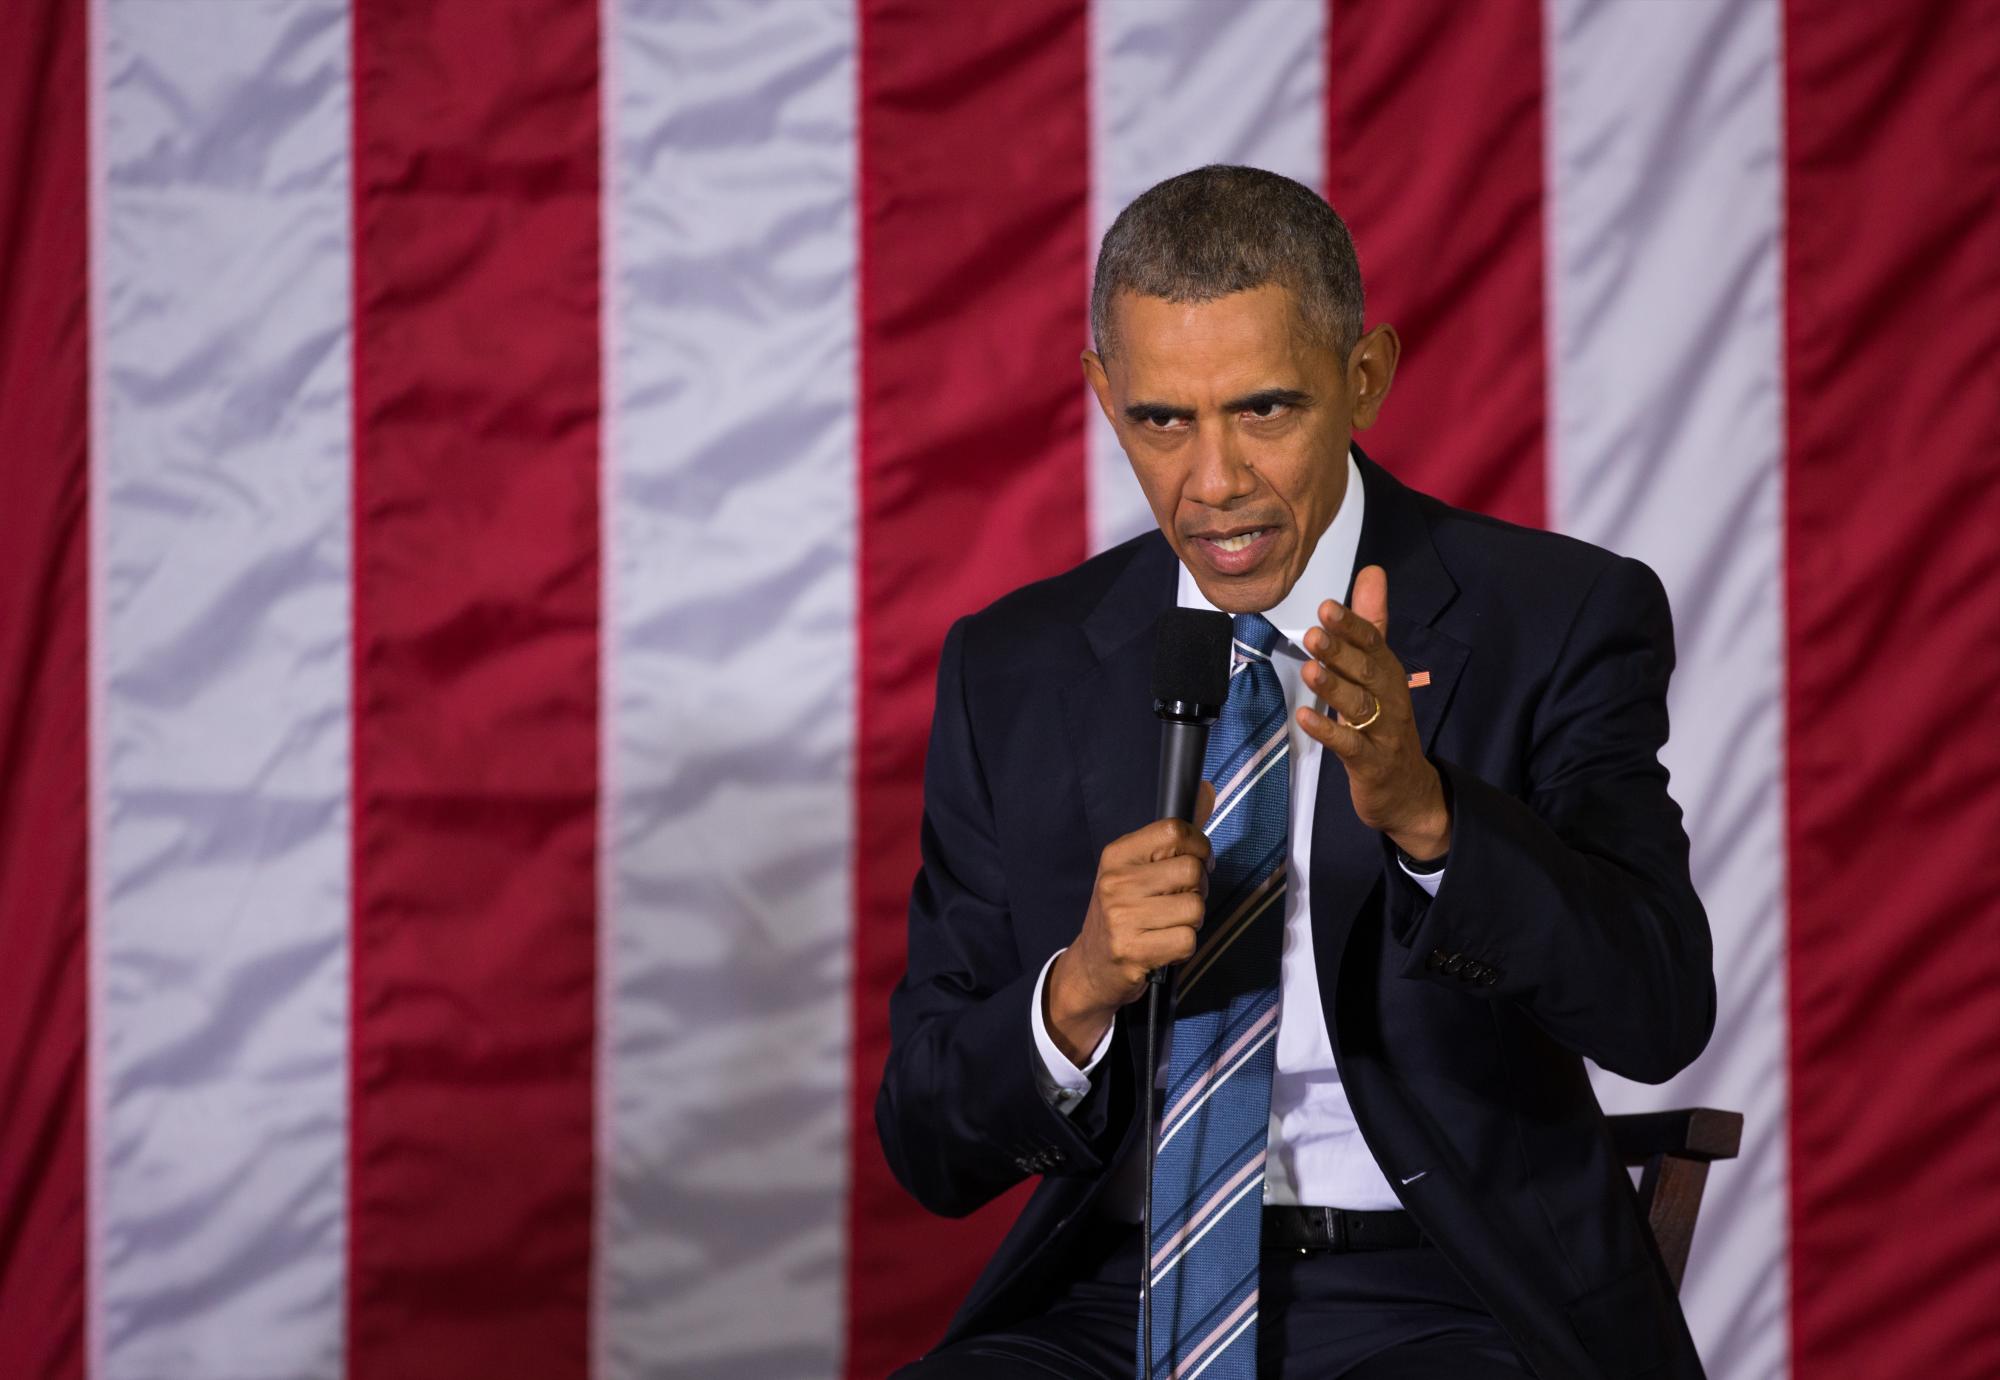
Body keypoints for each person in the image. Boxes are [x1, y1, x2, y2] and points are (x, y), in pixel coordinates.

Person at [876, 165, 1715, 1380]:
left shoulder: (1557, 616)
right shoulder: (1013, 667)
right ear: (1102, 396)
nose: (1213, 480)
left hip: (1447, 1293)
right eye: (1162, 421)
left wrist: (1429, 818)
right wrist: (1078, 990)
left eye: (1263, 410)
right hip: (1112, 1300)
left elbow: (1657, 1010)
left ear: (1362, 377)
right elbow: (927, 1139)